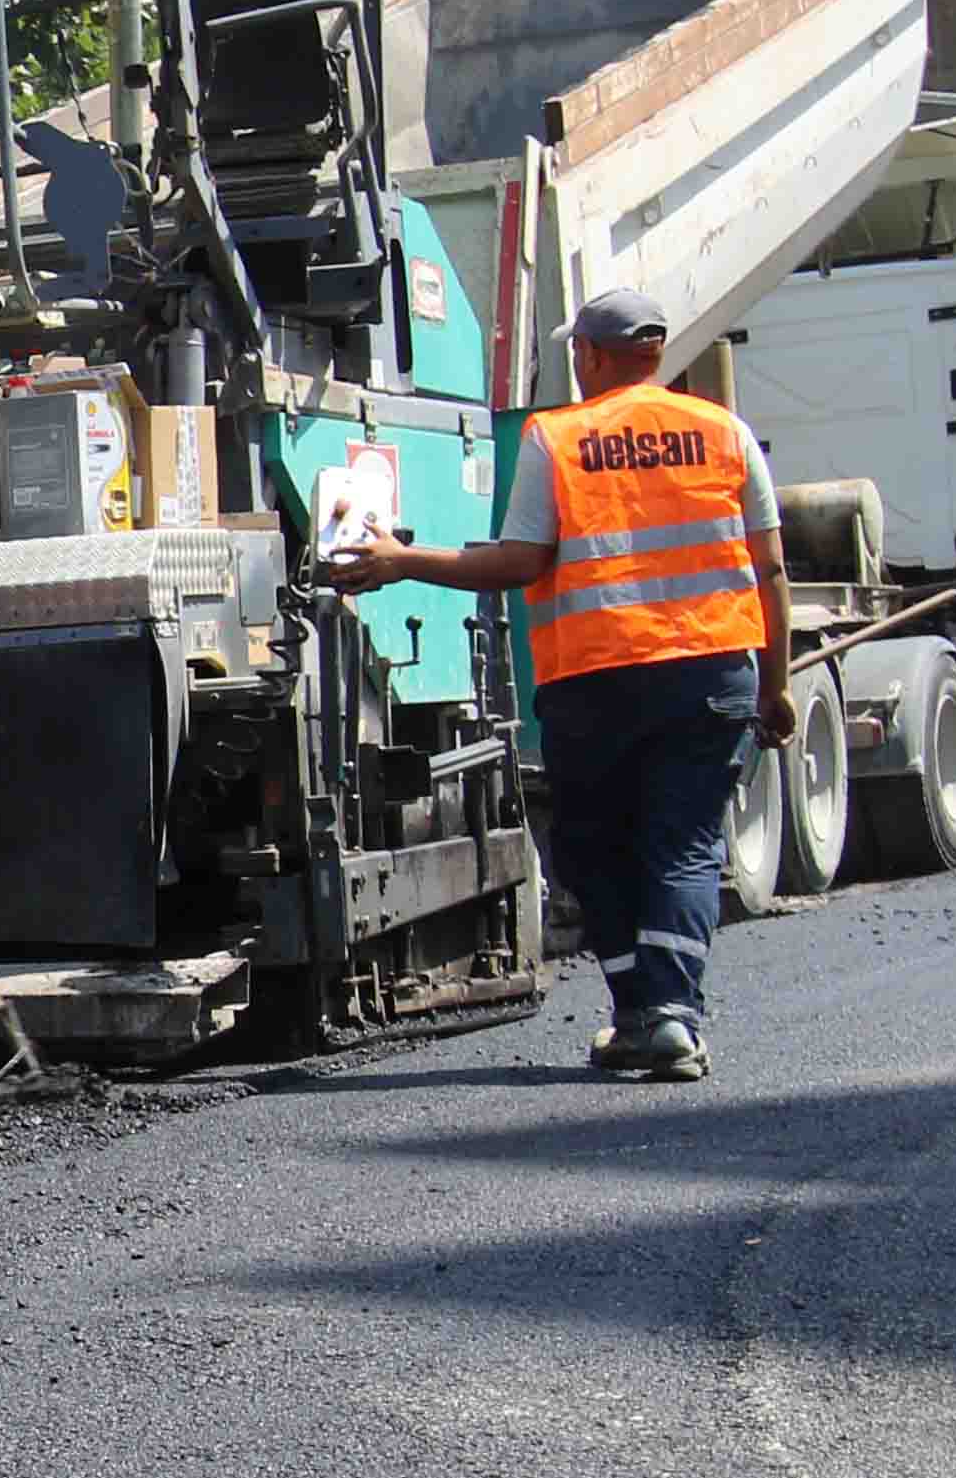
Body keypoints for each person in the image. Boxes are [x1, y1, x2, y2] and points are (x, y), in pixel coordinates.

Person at [319, 286, 795, 1083]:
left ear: (593, 356)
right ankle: (664, 1019)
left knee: (591, 846)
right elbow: (771, 569)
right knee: (682, 847)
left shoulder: (560, 438)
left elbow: (519, 562)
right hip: (711, 673)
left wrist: (402, 562)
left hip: (597, 683)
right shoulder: (725, 433)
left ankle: (650, 1013)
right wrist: (775, 686)